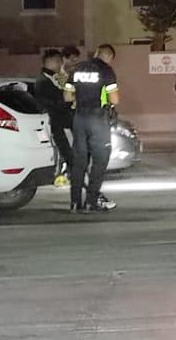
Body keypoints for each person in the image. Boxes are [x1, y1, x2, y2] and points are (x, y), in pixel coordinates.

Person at [64, 44, 120, 213]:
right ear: (109, 57)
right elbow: (115, 99)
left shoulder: (77, 69)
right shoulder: (106, 71)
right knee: (100, 159)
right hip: (97, 119)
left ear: (96, 53)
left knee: (79, 161)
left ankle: (75, 203)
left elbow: (67, 96)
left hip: (79, 118)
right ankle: (91, 201)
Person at [33, 49, 73, 187]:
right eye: (59, 61)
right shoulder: (43, 81)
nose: (61, 64)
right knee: (62, 150)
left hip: (58, 121)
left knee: (66, 149)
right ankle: (61, 175)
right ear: (52, 62)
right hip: (55, 121)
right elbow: (56, 101)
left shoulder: (53, 78)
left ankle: (68, 173)